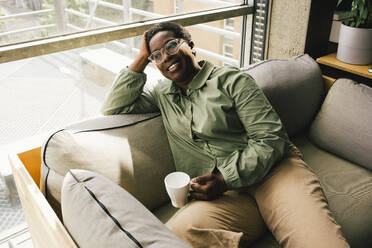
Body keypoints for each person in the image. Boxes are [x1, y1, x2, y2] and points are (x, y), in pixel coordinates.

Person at [102, 22, 349, 248]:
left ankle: (278, 211)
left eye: (171, 45)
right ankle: (267, 216)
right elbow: (114, 107)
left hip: (274, 173)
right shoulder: (162, 94)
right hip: (225, 198)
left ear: (190, 46)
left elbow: (271, 139)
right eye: (157, 55)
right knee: (176, 235)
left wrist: (224, 178)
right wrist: (142, 57)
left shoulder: (232, 80)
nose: (166, 56)